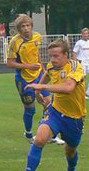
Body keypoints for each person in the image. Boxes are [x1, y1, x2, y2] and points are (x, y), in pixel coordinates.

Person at [13, 39, 87, 171]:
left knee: (70, 150)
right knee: (40, 139)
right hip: (55, 112)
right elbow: (47, 74)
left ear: (66, 55)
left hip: (74, 119)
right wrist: (38, 91)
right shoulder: (52, 66)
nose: (52, 60)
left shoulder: (76, 67)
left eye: (56, 56)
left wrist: (41, 86)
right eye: (50, 56)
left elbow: (68, 88)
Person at [6, 14, 64, 145]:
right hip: (24, 79)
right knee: (30, 109)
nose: (26, 28)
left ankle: (49, 134)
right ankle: (28, 134)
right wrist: (28, 66)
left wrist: (43, 70)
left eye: (28, 25)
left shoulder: (37, 37)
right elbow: (9, 63)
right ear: (18, 29)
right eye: (23, 26)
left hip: (38, 76)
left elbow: (35, 53)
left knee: (49, 104)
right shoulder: (15, 42)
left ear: (31, 26)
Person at [72, 27, 89, 99]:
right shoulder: (79, 43)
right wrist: (75, 63)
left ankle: (88, 92)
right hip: (81, 62)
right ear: (82, 34)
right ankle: (82, 94)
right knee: (83, 78)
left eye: (87, 34)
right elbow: (74, 53)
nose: (86, 35)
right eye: (84, 34)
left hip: (88, 62)